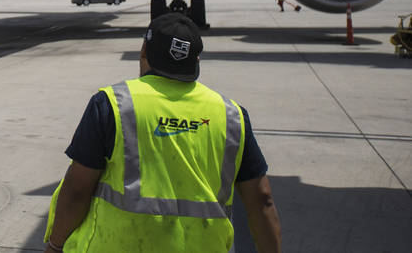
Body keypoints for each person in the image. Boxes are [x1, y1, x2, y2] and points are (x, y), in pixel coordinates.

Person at [43, 13, 281, 253]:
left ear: (144, 50)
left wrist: (55, 244)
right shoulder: (232, 116)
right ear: (196, 60)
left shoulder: (112, 104)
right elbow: (262, 200)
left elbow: (76, 192)